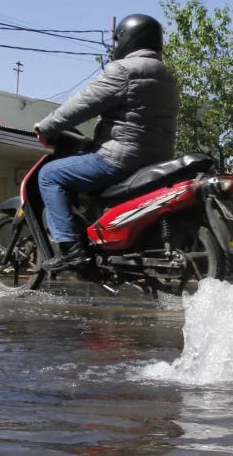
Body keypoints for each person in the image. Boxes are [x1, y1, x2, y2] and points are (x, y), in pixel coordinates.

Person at [33, 14, 180, 272]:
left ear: (128, 39)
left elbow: (82, 105)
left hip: (120, 159)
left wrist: (46, 127)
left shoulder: (124, 70)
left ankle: (71, 250)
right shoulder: (167, 76)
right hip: (156, 161)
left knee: (49, 175)